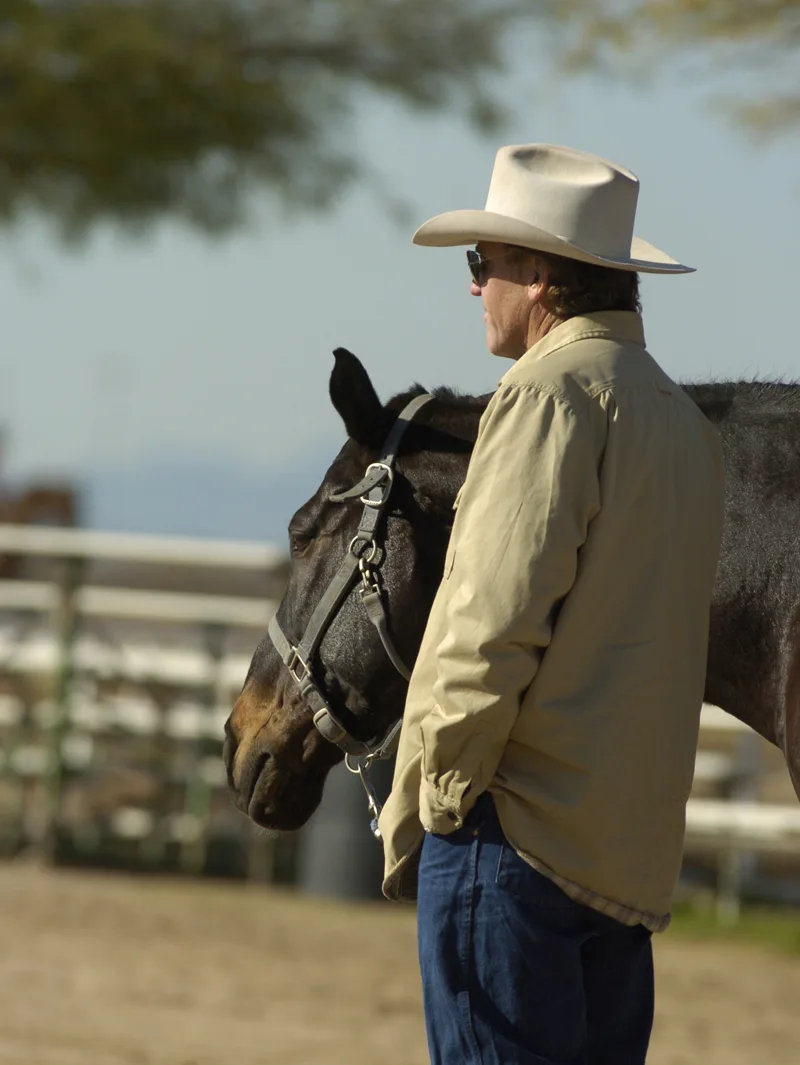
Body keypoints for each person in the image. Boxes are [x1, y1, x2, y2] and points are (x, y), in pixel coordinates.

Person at [377, 144, 726, 1065]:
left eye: (480, 263)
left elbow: (487, 619)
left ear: (537, 276)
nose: (473, 287)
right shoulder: (681, 423)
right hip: (624, 857)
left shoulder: (549, 393)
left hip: (514, 835)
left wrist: (438, 795)